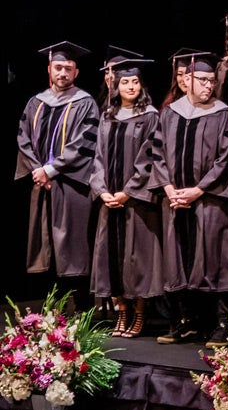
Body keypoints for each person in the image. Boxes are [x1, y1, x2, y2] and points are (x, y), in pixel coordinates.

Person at [149, 51, 228, 345]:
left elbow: (226, 159)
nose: (208, 87)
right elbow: (157, 153)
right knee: (179, 259)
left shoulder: (223, 114)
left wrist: (199, 189)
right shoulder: (170, 113)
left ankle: (221, 323)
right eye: (202, 80)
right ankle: (183, 321)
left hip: (209, 200)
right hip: (174, 199)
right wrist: (168, 189)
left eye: (212, 81)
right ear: (186, 80)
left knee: (214, 258)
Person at [17, 42, 99, 307]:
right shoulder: (35, 102)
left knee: (73, 245)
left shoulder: (85, 103)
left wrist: (51, 169)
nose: (63, 73)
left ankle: (82, 308)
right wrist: (37, 171)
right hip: (41, 185)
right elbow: (23, 139)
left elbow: (84, 143)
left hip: (72, 185)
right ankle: (52, 308)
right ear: (49, 69)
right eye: (58, 67)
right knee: (45, 245)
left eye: (68, 68)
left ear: (76, 72)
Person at [90, 57, 165, 338]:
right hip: (110, 200)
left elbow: (149, 158)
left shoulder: (150, 116)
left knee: (138, 258)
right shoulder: (107, 115)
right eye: (125, 82)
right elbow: (98, 158)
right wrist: (102, 191)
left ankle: (140, 314)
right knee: (113, 257)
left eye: (135, 81)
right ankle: (121, 311)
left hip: (136, 201)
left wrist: (127, 192)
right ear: (116, 86)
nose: (131, 86)